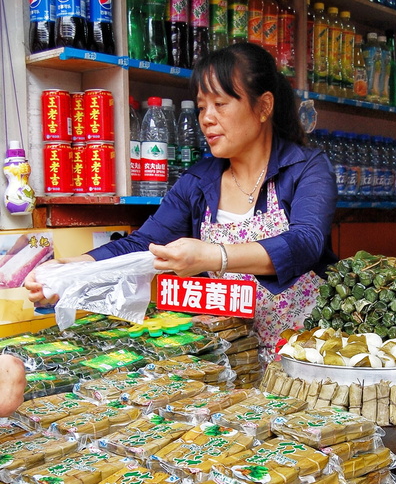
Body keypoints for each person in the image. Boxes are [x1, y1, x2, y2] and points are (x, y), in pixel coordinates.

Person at [25, 43, 337, 357]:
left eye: (220, 103)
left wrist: (214, 256)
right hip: (230, 357)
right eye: (202, 107)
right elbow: (142, 243)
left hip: (301, 356)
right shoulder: (199, 181)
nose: (207, 119)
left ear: (263, 106)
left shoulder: (305, 167)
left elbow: (306, 242)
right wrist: (72, 268)